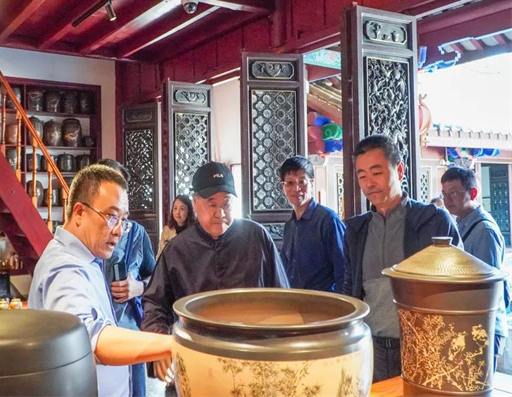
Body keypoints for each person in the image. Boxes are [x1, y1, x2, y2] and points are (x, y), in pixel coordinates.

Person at [28, 165, 172, 397]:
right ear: (79, 212)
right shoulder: (65, 267)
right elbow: (92, 339)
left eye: (123, 220)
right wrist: (174, 344)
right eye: (111, 216)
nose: (119, 231)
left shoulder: (87, 256)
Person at [142, 161, 289, 382]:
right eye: (211, 204)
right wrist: (160, 343)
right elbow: (154, 303)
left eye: (226, 204)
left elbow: (283, 299)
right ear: (195, 203)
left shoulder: (257, 238)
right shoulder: (177, 249)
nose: (220, 213)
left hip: (253, 358)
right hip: (195, 357)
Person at [342, 134, 461, 383]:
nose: (369, 183)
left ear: (399, 170)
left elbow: (458, 286)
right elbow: (351, 289)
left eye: (377, 173)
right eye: (362, 176)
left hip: (424, 346)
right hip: (372, 348)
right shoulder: (356, 231)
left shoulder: (433, 221)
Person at [97, 159, 157, 397]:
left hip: (129, 333)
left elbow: (157, 279)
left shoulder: (137, 233)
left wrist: (138, 287)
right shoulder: (86, 234)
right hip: (95, 338)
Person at [441, 166, 508, 371]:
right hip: (468, 324)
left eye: (453, 193)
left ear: (473, 193)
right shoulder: (461, 224)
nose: (447, 199)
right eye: (444, 194)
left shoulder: (484, 230)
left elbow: (485, 287)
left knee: (479, 382)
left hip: (483, 326)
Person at [279, 156, 346, 292]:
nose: (296, 188)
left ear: (312, 183)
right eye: (290, 183)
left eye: (302, 182)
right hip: (295, 300)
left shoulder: (328, 220)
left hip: (324, 301)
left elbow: (344, 269)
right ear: (283, 187)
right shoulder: (289, 226)